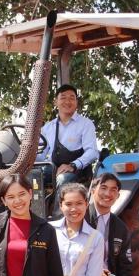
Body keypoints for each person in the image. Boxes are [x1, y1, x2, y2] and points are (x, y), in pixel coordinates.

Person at [36, 84, 99, 214]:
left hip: (78, 170)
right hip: (53, 168)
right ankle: (35, 214)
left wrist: (73, 165)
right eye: (63, 97)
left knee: (63, 179)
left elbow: (92, 152)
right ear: (56, 102)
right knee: (32, 175)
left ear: (76, 102)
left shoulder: (85, 124)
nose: (67, 101)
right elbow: (40, 155)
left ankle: (58, 216)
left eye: (71, 98)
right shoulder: (48, 127)